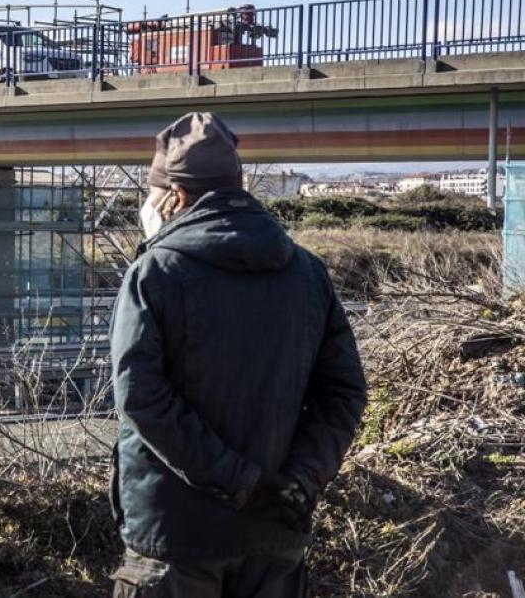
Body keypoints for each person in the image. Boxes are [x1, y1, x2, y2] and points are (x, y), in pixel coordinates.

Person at [109, 112, 367, 598]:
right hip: (275, 538)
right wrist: (298, 481)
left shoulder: (154, 273)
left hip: (175, 538)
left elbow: (141, 399)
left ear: (174, 197)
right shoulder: (307, 272)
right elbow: (343, 393)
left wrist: (240, 482)